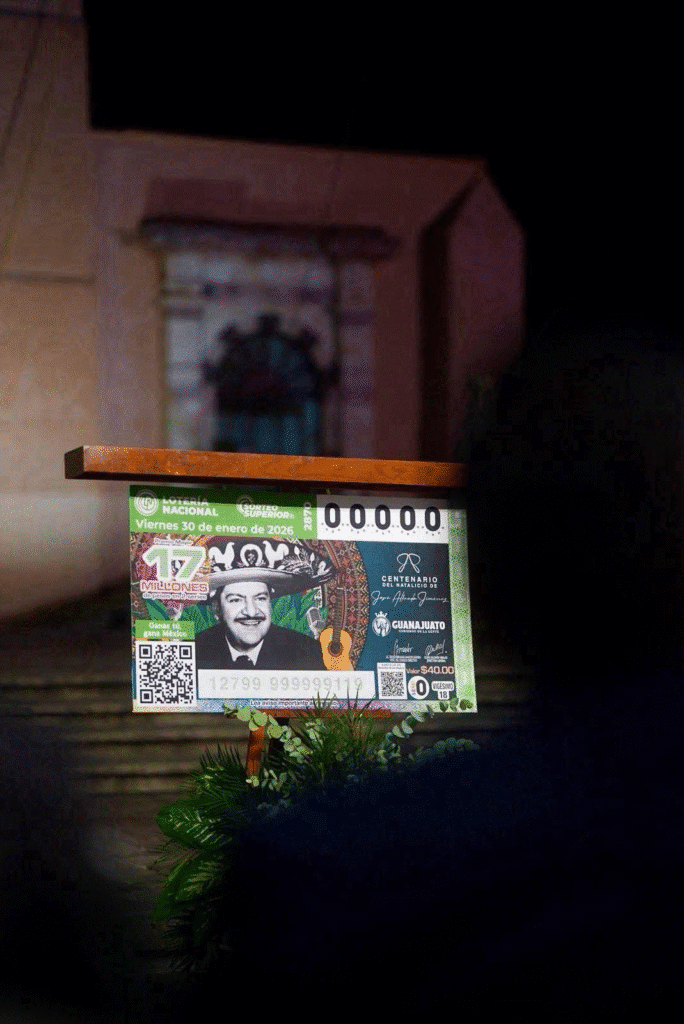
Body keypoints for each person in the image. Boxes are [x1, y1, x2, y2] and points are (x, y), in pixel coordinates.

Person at [195, 537, 334, 670]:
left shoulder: (307, 651)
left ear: (269, 602)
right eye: (236, 600)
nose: (251, 612)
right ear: (217, 609)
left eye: (260, 598)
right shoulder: (195, 650)